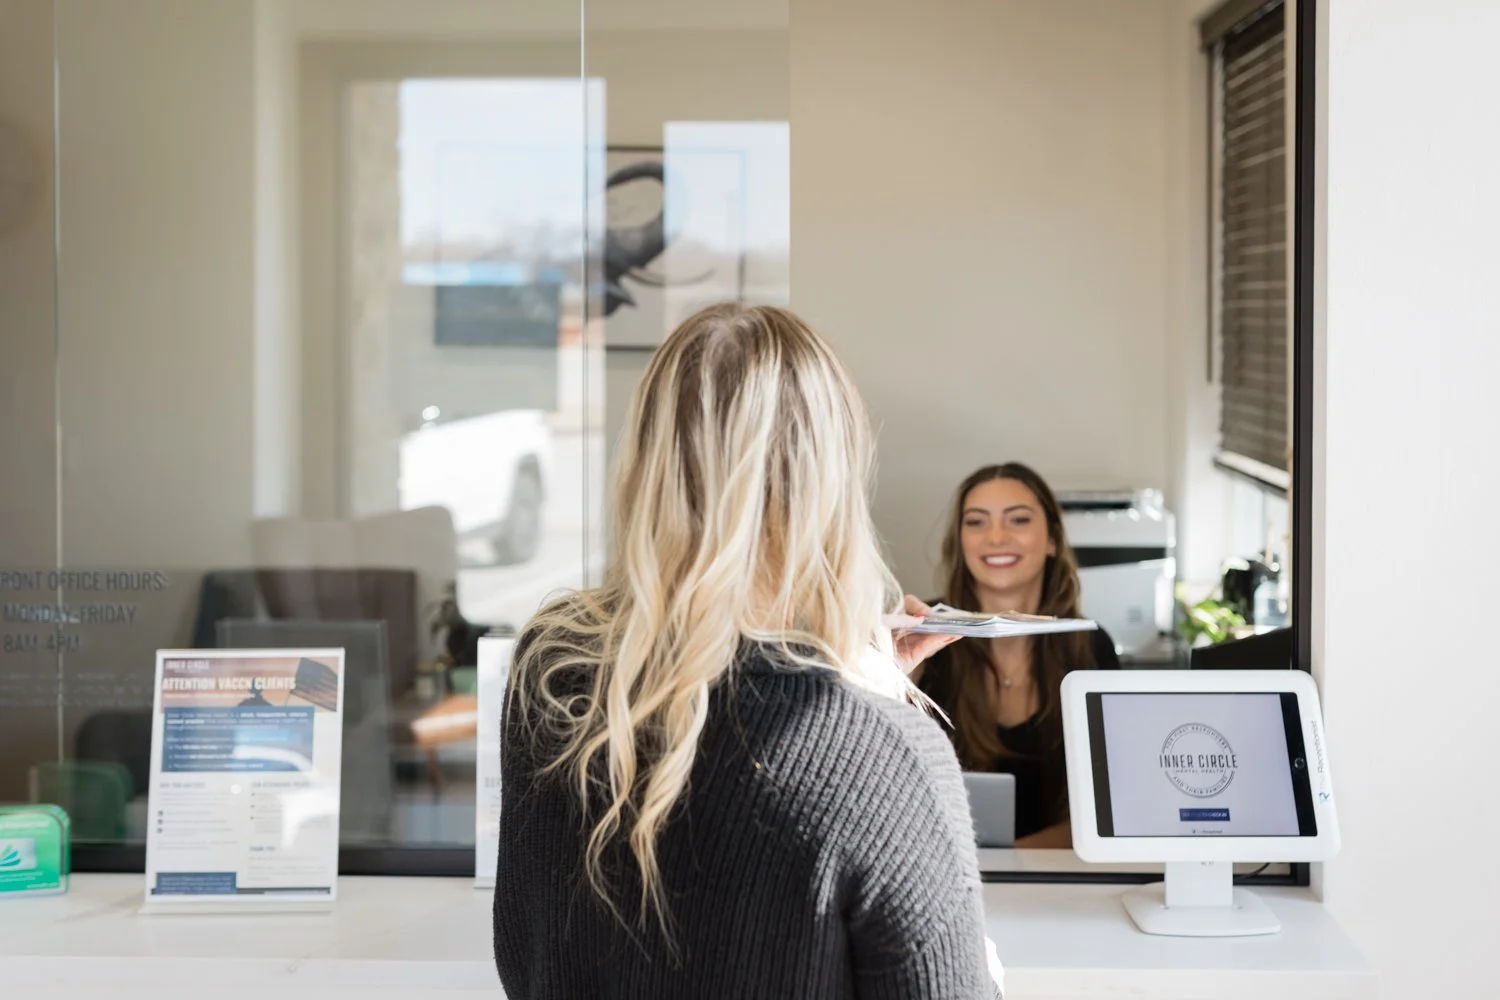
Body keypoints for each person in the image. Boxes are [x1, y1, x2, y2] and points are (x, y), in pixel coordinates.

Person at [493, 303, 1002, 999]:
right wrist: (873, 712)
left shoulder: (551, 667)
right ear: (828, 481)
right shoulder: (885, 756)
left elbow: (526, 959)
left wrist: (852, 685)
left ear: (646, 460)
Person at [909, 463, 1120, 849]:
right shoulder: (920, 636)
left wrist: (1013, 864)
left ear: (1052, 539)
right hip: (941, 874)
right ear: (960, 542)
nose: (996, 537)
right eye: (976, 522)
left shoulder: (1090, 648)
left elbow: (1114, 805)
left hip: (1059, 881)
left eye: (1018, 520)